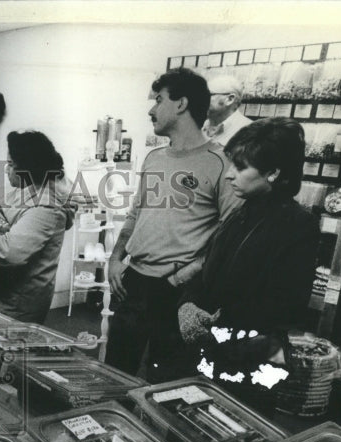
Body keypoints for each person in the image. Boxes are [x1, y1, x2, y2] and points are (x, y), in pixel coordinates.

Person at [105, 67, 241, 381]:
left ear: (181, 104)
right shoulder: (154, 158)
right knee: (114, 371)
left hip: (177, 290)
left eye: (159, 100)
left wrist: (183, 277)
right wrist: (115, 258)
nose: (151, 109)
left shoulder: (222, 162)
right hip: (133, 281)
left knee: (165, 381)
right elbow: (136, 213)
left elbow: (229, 235)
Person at [177, 118, 319, 413]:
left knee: (235, 438)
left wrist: (216, 317)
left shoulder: (297, 224)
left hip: (255, 357)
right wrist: (188, 304)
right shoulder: (241, 212)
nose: (229, 176)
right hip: (216, 348)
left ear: (273, 173)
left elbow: (289, 304)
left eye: (240, 168)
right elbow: (210, 271)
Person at [0, 130, 74, 323]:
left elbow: (10, 252)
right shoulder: (22, 189)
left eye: (10, 164)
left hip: (14, 306)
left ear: (28, 168)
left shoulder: (47, 207)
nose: (5, 170)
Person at [203, 75, 252, 146]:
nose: (200, 99)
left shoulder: (250, 132)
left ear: (230, 99)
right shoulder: (197, 126)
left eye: (208, 94)